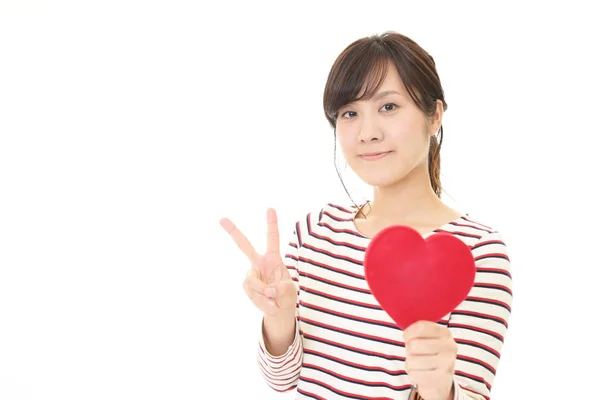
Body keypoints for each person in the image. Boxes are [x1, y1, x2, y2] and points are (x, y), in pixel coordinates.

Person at [220, 31, 512, 400]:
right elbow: (282, 381)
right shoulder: (316, 232)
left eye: (388, 107)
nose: (367, 133)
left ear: (434, 115)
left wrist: (441, 388)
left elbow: (468, 392)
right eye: (350, 113)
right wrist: (278, 316)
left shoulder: (477, 251)